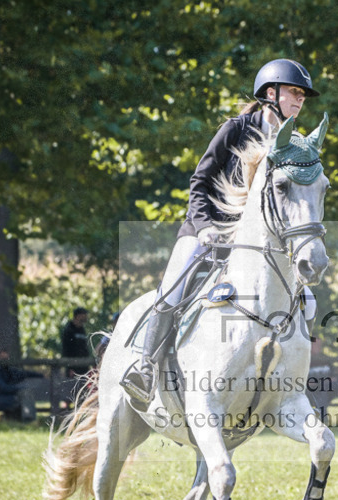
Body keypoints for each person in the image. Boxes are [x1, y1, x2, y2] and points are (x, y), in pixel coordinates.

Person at [121, 58, 321, 409]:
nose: (300, 99)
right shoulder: (236, 128)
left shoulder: (294, 142)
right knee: (172, 290)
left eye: (302, 94)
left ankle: (284, 378)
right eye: (294, 91)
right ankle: (145, 367)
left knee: (308, 302)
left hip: (257, 244)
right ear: (270, 93)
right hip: (207, 231)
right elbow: (199, 181)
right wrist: (204, 227)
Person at [0, 350, 44, 422]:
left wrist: (41, 375)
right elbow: (3, 388)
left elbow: (23, 374)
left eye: (6, 358)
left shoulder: (8, 370)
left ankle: (27, 419)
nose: (5, 360)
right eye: (3, 358)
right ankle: (28, 420)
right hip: (0, 400)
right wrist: (19, 388)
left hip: (9, 397)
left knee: (26, 393)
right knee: (25, 394)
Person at [61, 307, 93, 378]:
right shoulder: (69, 330)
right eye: (84, 315)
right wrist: (70, 367)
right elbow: (66, 350)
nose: (86, 317)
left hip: (84, 366)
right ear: (78, 316)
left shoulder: (82, 330)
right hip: (73, 367)